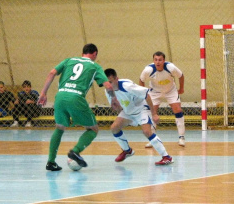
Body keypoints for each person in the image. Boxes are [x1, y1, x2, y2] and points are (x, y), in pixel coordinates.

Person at [38, 43, 120, 171]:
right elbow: (108, 86)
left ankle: (51, 162)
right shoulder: (94, 66)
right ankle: (75, 151)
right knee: (93, 129)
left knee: (59, 128)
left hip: (60, 96)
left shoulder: (69, 60)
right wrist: (114, 99)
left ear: (83, 53)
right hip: (76, 97)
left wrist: (43, 93)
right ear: (94, 54)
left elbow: (51, 73)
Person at [105, 68, 174, 165]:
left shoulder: (127, 86)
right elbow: (119, 108)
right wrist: (117, 108)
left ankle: (167, 157)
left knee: (146, 132)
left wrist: (154, 114)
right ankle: (127, 150)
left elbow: (147, 95)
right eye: (106, 83)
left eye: (110, 82)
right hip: (128, 112)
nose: (108, 85)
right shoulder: (108, 91)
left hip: (141, 109)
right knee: (114, 128)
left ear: (117, 79)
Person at [139, 51, 185, 147]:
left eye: (160, 60)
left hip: (170, 90)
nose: (158, 62)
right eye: (156, 60)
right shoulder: (148, 70)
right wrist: (144, 92)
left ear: (164, 60)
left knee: (178, 109)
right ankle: (152, 139)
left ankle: (181, 137)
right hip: (155, 92)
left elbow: (181, 76)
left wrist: (181, 88)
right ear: (153, 61)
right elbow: (141, 80)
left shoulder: (170, 67)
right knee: (152, 112)